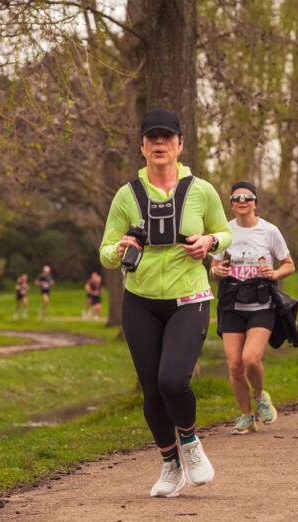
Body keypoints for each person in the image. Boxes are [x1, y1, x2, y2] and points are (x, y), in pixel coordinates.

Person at [99, 108, 231, 497]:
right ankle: (170, 465)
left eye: (167, 137)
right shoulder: (126, 195)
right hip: (140, 301)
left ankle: (189, 442)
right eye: (152, 138)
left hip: (189, 297)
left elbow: (225, 232)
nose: (160, 143)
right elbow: (105, 251)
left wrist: (210, 242)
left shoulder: (202, 191)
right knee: (152, 391)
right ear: (142, 147)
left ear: (180, 144)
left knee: (172, 379)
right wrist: (118, 248)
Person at [209, 181, 295, 435]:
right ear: (231, 204)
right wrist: (217, 271)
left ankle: (260, 396)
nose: (242, 201)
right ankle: (247, 416)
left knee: (251, 358)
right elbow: (213, 267)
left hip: (261, 305)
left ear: (255, 202)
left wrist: (274, 273)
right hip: (232, 305)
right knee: (235, 365)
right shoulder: (223, 231)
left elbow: (289, 264)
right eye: (236, 198)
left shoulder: (269, 231)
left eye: (247, 197)